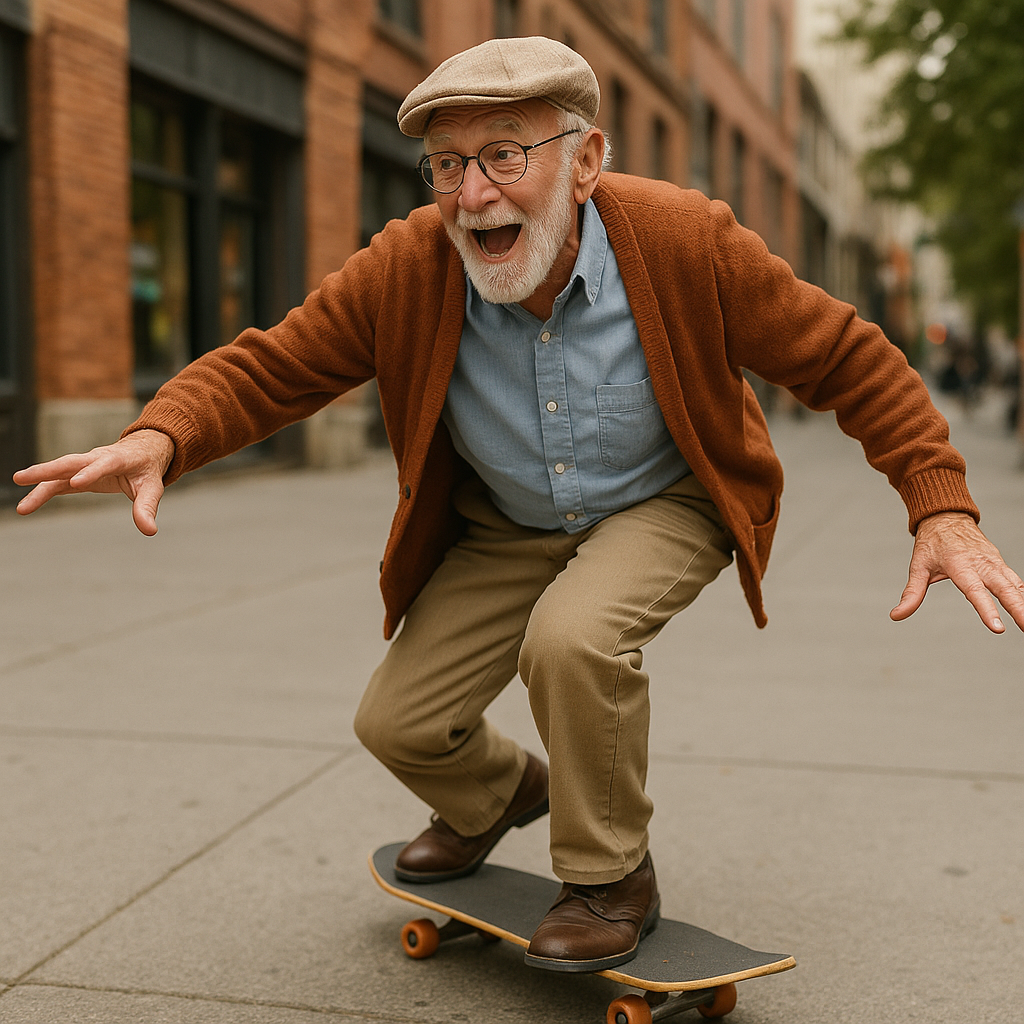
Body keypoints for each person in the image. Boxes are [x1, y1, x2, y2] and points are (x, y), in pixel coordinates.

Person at [13, 37, 1024, 974]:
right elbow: (279, 362)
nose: (473, 192)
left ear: (584, 163)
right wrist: (162, 432)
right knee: (398, 721)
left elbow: (847, 358)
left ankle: (608, 874)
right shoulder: (410, 264)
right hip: (505, 522)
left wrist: (939, 506)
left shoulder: (682, 243)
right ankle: (505, 792)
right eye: (448, 165)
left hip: (659, 503)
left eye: (504, 155)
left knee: (572, 641)